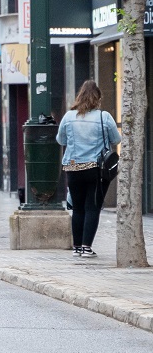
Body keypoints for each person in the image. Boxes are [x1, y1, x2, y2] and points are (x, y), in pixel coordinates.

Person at [56, 80, 120, 258]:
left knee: (78, 208)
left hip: (73, 167)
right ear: (97, 98)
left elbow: (61, 140)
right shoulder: (103, 117)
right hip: (95, 170)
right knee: (92, 207)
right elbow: (116, 139)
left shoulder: (68, 116)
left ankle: (76, 247)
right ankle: (86, 247)